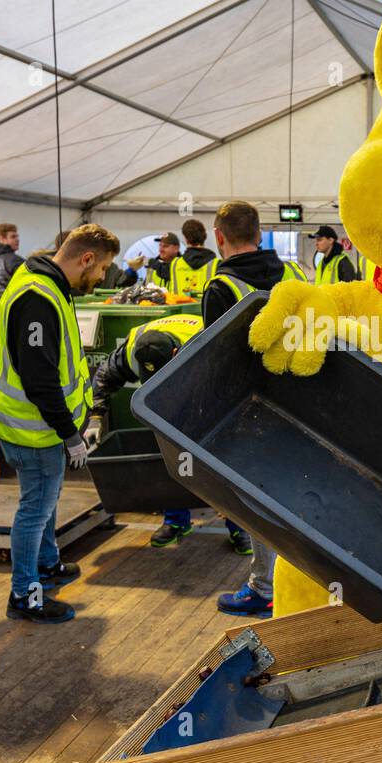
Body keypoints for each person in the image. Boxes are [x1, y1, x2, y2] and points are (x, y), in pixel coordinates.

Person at [0, 223, 119, 623]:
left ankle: (46, 564)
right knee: (35, 508)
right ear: (86, 258)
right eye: (101, 269)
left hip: (37, 426)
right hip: (33, 428)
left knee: (46, 500)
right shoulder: (38, 298)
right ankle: (24, 594)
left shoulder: (41, 278)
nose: (101, 279)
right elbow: (39, 378)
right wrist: (68, 433)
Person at [203, 202, 307, 617]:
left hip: (253, 409)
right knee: (297, 491)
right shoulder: (295, 274)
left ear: (219, 237)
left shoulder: (221, 289)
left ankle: (265, 587)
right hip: (302, 397)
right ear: (260, 234)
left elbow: (215, 359)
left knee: (259, 500)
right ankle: (301, 580)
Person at [85, 314, 215, 548]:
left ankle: (239, 526)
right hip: (171, 399)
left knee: (218, 455)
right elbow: (104, 378)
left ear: (175, 354)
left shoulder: (203, 340)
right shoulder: (132, 347)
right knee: (168, 451)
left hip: (206, 388)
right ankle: (176, 521)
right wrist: (95, 419)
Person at [177, 219, 220, 292]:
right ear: (205, 236)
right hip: (206, 303)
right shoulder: (217, 265)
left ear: (186, 239)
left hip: (180, 303)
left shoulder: (175, 264)